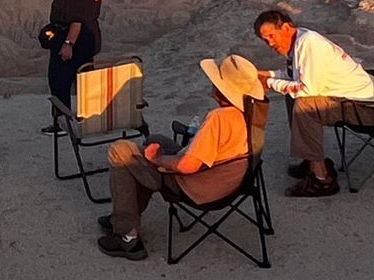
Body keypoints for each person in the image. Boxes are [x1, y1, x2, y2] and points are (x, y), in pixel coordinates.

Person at [97, 54, 262, 260]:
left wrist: (157, 159)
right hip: (229, 181)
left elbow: (188, 166)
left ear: (220, 89)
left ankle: (127, 236)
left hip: (197, 185)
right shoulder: (252, 112)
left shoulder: (220, 118)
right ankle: (125, 215)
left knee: (121, 151)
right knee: (154, 139)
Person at [252, 7, 374, 198]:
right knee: (292, 96)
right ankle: (311, 161)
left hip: (368, 109)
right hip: (351, 101)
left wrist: (270, 83)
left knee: (306, 106)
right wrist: (267, 75)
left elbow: (308, 89)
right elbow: (292, 76)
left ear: (286, 28)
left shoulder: (308, 43)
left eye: (272, 36)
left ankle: (322, 179)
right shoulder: (299, 41)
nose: (270, 43)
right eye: (265, 40)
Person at [42, 0, 102, 126]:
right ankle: (92, 120)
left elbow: (77, 20)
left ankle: (61, 124)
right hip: (88, 39)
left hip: (75, 41)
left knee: (59, 81)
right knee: (84, 80)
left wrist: (68, 44)